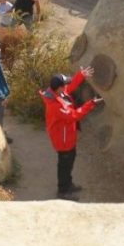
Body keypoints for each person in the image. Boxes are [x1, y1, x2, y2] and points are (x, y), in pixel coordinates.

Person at [40, 67, 102, 200]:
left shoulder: (56, 93)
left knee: (70, 161)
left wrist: (81, 75)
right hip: (63, 140)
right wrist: (91, 104)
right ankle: (63, 191)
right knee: (64, 165)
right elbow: (74, 115)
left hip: (67, 136)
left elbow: (71, 86)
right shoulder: (56, 105)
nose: (67, 85)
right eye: (65, 84)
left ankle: (68, 185)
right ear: (59, 88)